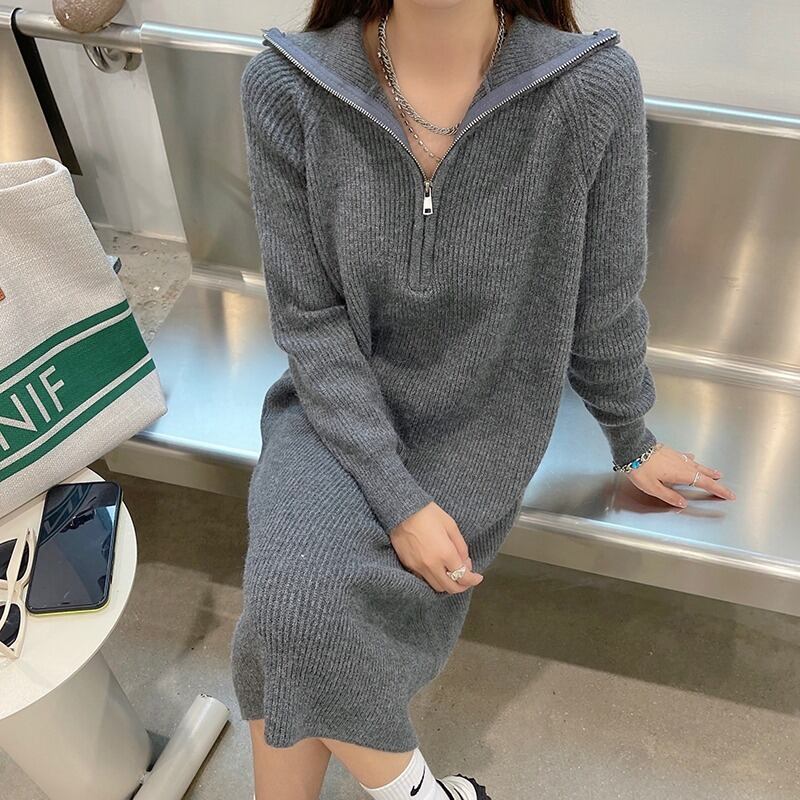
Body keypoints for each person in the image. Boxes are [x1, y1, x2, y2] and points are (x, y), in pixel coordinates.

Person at [230, 2, 737, 798]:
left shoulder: (590, 89)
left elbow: (603, 302)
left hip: (483, 425)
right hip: (334, 411)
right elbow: (309, 320)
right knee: (288, 608)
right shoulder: (286, 85)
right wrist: (397, 498)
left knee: (291, 624)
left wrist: (630, 436)